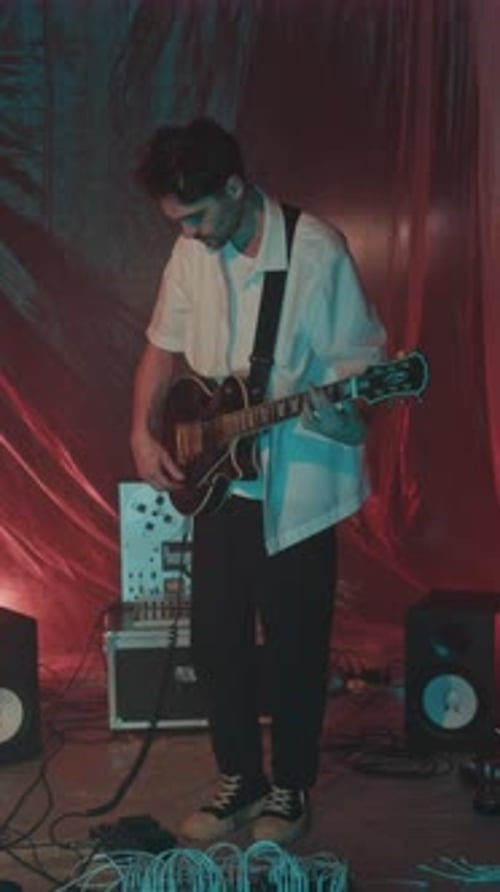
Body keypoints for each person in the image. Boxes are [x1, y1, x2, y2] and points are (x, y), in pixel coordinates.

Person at [130, 118, 386, 846]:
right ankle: (239, 777)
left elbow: (360, 370)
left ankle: (292, 787)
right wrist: (140, 433)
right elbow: (159, 347)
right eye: (178, 222)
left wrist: (348, 419)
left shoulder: (316, 253)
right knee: (216, 644)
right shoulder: (189, 250)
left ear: (235, 188)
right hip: (218, 486)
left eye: (199, 217)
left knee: (297, 645)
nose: (192, 234)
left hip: (296, 488)